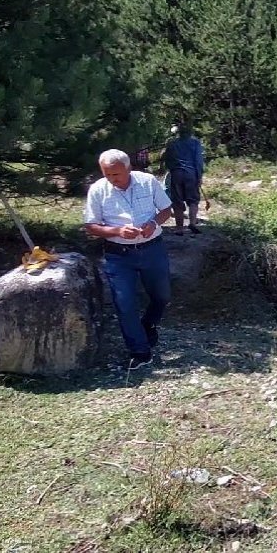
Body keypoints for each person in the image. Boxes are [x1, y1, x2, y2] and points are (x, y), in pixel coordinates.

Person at [83, 149, 173, 370]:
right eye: (107, 174)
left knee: (162, 296)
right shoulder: (98, 190)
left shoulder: (147, 181)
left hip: (152, 249)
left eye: (116, 174)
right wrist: (117, 231)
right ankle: (140, 352)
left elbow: (166, 209)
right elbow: (91, 226)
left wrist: (153, 223)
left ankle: (148, 324)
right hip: (118, 255)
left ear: (128, 168)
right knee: (125, 304)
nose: (112, 179)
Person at [162, 124, 205, 235]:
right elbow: (198, 160)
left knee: (177, 201)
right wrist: (199, 175)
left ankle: (179, 228)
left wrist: (171, 169)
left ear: (178, 133)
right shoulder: (195, 143)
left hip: (176, 173)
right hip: (191, 173)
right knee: (193, 200)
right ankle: (192, 223)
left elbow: (166, 159)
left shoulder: (172, 143)